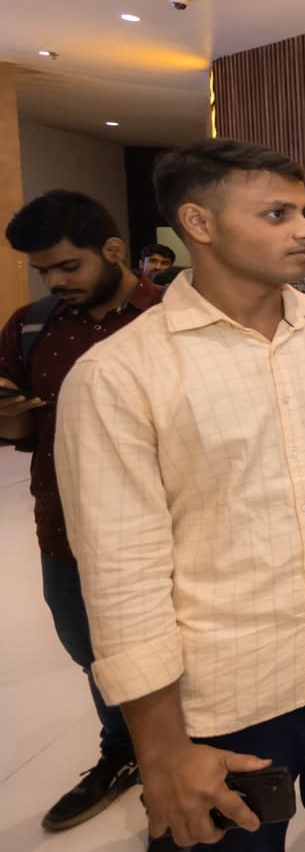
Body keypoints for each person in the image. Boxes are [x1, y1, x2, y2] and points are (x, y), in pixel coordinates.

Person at [53, 140, 305, 851]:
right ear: (199, 223)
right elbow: (122, 574)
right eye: (277, 214)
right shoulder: (118, 374)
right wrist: (160, 749)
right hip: (228, 691)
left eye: (303, 211)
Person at [0, 191, 162, 834]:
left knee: (179, 652)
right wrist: (10, 412)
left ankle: (184, 766)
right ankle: (124, 752)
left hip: (165, 530)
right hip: (65, 528)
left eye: (67, 266)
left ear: (113, 250)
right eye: (44, 270)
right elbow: (17, 425)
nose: (55, 281)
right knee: (91, 651)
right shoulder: (32, 326)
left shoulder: (173, 316)